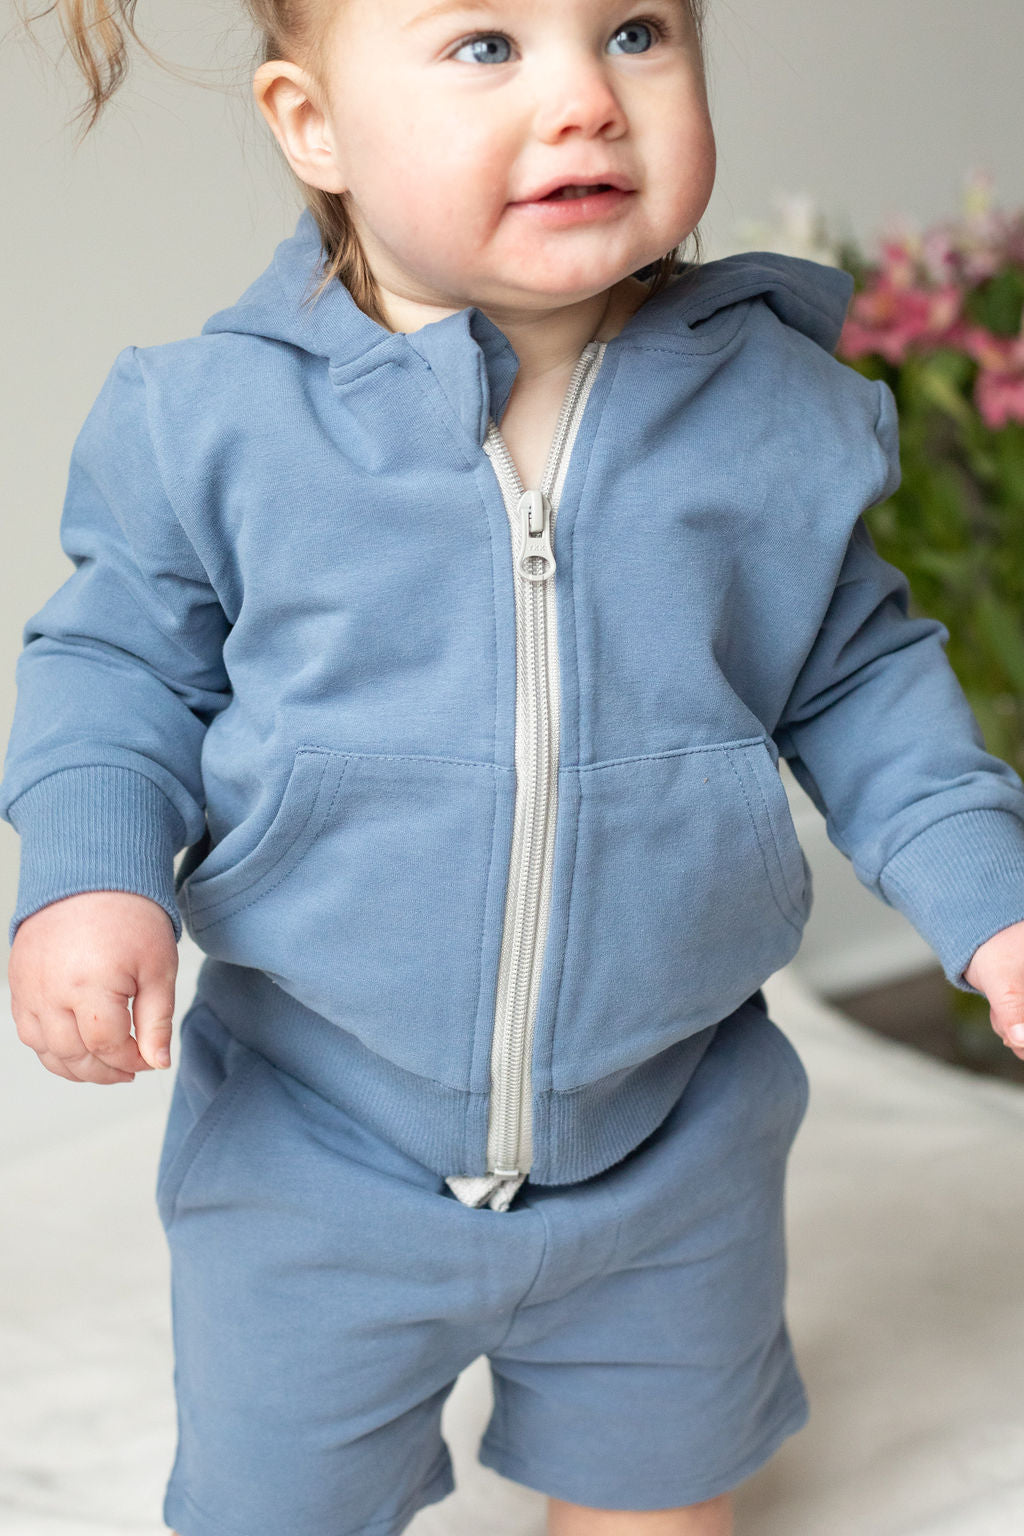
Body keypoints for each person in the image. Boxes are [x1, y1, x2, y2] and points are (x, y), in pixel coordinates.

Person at [5, 1, 1024, 1533]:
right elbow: (114, 672)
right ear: (312, 125)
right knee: (275, 1504)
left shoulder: (780, 414)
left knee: (663, 1490)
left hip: (674, 1132)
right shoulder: (214, 421)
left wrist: (995, 902)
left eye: (636, 30)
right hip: (315, 1137)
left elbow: (870, 688)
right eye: (487, 44)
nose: (587, 98)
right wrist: (92, 876)